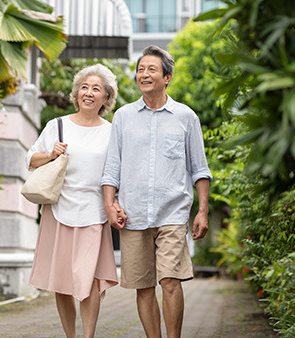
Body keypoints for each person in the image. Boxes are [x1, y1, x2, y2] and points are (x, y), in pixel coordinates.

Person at [101, 45, 212, 338]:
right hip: (133, 214)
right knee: (143, 285)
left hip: (172, 213)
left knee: (171, 281)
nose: (144, 75)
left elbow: (200, 169)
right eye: (140, 69)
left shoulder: (186, 117)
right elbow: (112, 167)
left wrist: (202, 210)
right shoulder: (123, 117)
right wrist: (110, 204)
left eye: (151, 69)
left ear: (167, 77)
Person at [26, 64, 119, 338]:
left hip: (94, 212)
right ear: (77, 93)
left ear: (106, 98)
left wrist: (116, 203)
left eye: (96, 89)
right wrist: (50, 155)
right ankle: (71, 335)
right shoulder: (57, 126)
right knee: (62, 283)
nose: (88, 93)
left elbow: (116, 173)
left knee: (88, 278)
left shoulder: (111, 132)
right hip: (58, 211)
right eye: (84, 87)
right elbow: (29, 159)